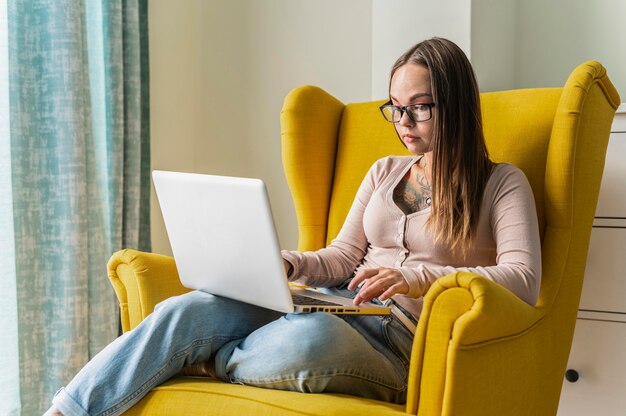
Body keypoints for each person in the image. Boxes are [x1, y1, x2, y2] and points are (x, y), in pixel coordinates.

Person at [45, 37, 541, 415]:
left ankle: (204, 360)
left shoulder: (501, 183)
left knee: (306, 343)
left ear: (454, 105)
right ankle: (68, 410)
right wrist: (286, 262)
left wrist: (418, 279)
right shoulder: (384, 171)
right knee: (191, 307)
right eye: (395, 106)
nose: (403, 121)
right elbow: (344, 257)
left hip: (401, 342)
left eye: (420, 107)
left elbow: (523, 279)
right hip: (341, 306)